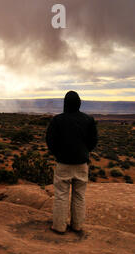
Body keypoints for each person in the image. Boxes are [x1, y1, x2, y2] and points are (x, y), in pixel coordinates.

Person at [46, 91, 98, 235]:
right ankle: (77, 226)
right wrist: (84, 152)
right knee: (79, 195)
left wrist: (58, 153)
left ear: (65, 103)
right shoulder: (88, 120)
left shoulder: (57, 120)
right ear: (79, 103)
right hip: (82, 163)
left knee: (61, 195)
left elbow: (50, 141)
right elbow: (93, 142)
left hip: (63, 163)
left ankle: (59, 226)